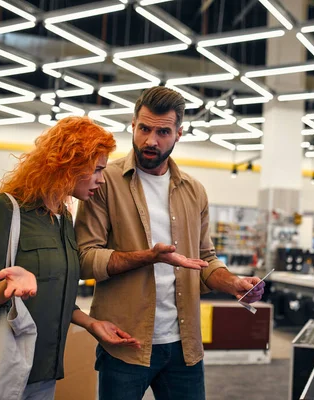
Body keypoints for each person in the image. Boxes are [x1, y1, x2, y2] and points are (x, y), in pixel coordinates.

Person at [75, 86, 265, 400]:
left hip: (183, 346)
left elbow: (205, 259)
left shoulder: (194, 190)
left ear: (179, 133)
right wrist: (148, 257)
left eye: (163, 131)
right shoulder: (103, 180)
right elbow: (85, 257)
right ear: (132, 125)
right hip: (124, 342)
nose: (151, 140)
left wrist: (233, 283)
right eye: (144, 129)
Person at [0, 116, 140, 400]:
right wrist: (10, 285)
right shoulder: (5, 209)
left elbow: (58, 294)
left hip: (45, 369)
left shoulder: (63, 219)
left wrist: (91, 324)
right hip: (3, 369)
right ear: (70, 164)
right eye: (97, 169)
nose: (102, 179)